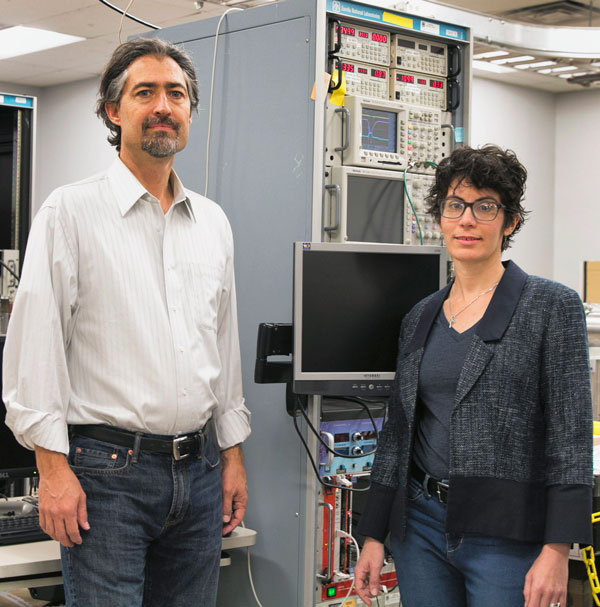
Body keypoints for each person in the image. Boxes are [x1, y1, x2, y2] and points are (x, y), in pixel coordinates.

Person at [2, 38, 251, 607]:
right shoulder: (70, 213)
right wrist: (52, 470)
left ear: (189, 111)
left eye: (177, 93)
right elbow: (34, 351)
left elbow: (224, 349)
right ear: (114, 111)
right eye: (146, 92)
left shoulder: (212, 223)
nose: (163, 105)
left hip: (201, 468)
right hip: (106, 477)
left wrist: (232, 455)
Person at [354, 145, 592, 607]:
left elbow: (571, 438)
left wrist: (558, 548)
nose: (467, 220)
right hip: (419, 528)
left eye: (486, 207)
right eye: (455, 206)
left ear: (511, 221)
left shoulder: (551, 307)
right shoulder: (421, 316)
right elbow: (399, 433)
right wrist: (374, 533)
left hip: (507, 535)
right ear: (440, 217)